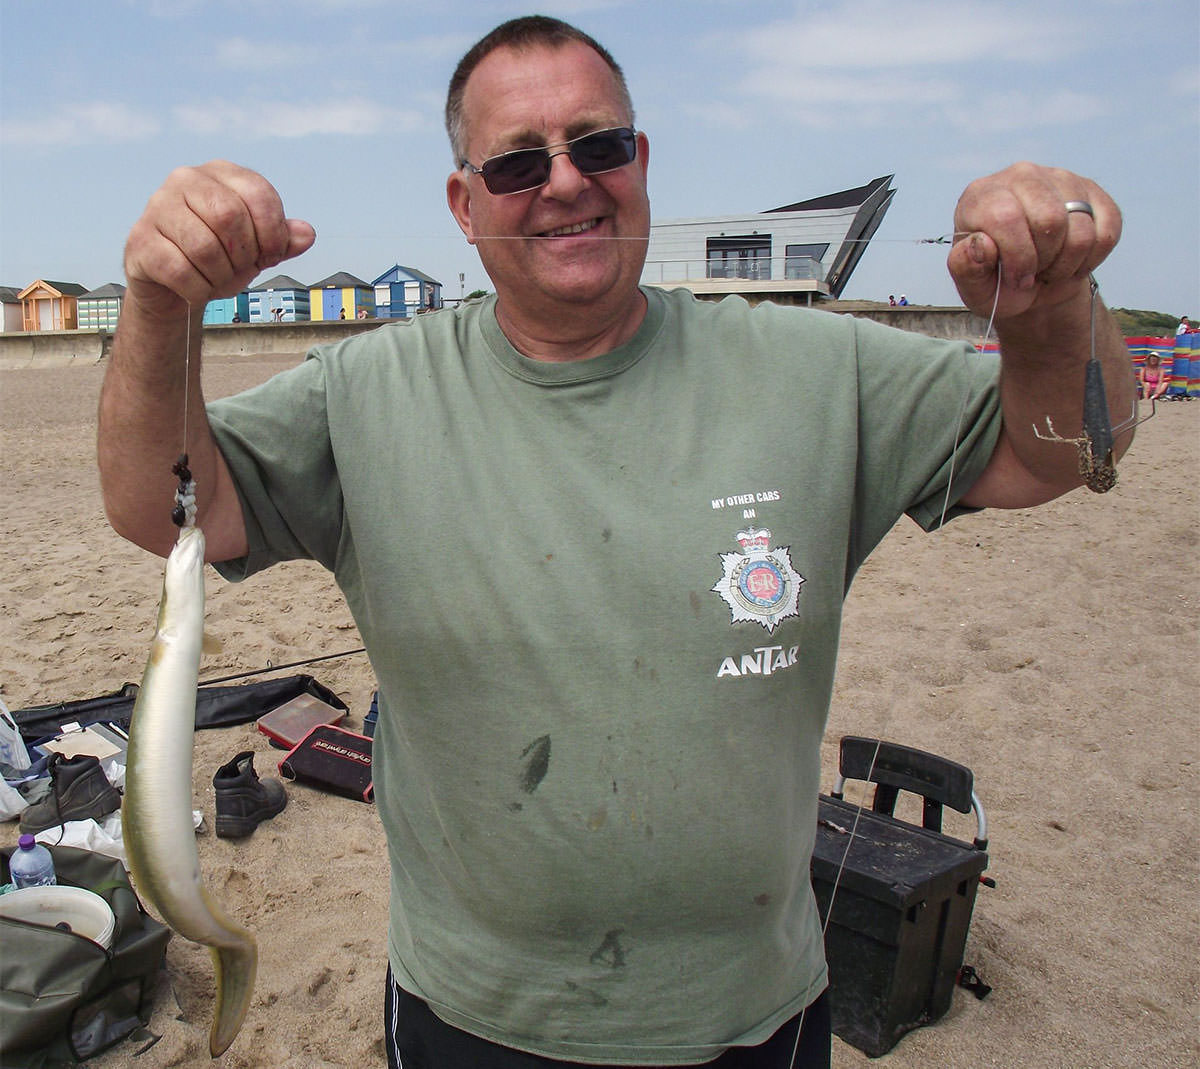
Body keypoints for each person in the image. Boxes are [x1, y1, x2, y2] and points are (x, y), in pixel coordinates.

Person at [97, 15, 1134, 1068]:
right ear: (463, 204)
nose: (565, 181)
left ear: (640, 162)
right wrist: (158, 304)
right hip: (472, 1014)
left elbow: (1055, 452)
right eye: (517, 162)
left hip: (755, 1015)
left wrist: (1053, 302)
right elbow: (161, 508)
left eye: (597, 145)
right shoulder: (361, 395)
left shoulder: (816, 369)